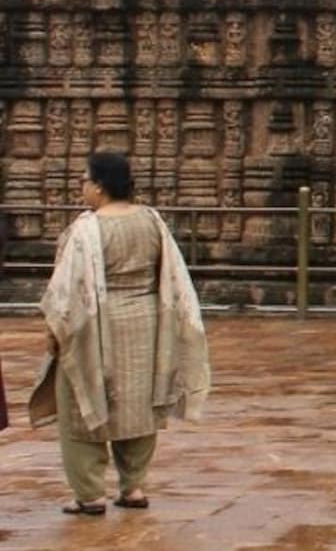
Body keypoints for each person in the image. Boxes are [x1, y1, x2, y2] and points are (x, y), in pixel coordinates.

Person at [35, 150, 210, 516]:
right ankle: (133, 487)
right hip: (146, 322)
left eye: (85, 181)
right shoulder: (151, 220)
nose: (82, 188)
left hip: (95, 324)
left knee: (82, 405)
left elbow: (66, 291)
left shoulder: (85, 229)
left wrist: (54, 332)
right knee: (139, 405)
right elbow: (172, 275)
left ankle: (90, 493)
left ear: (99, 187)